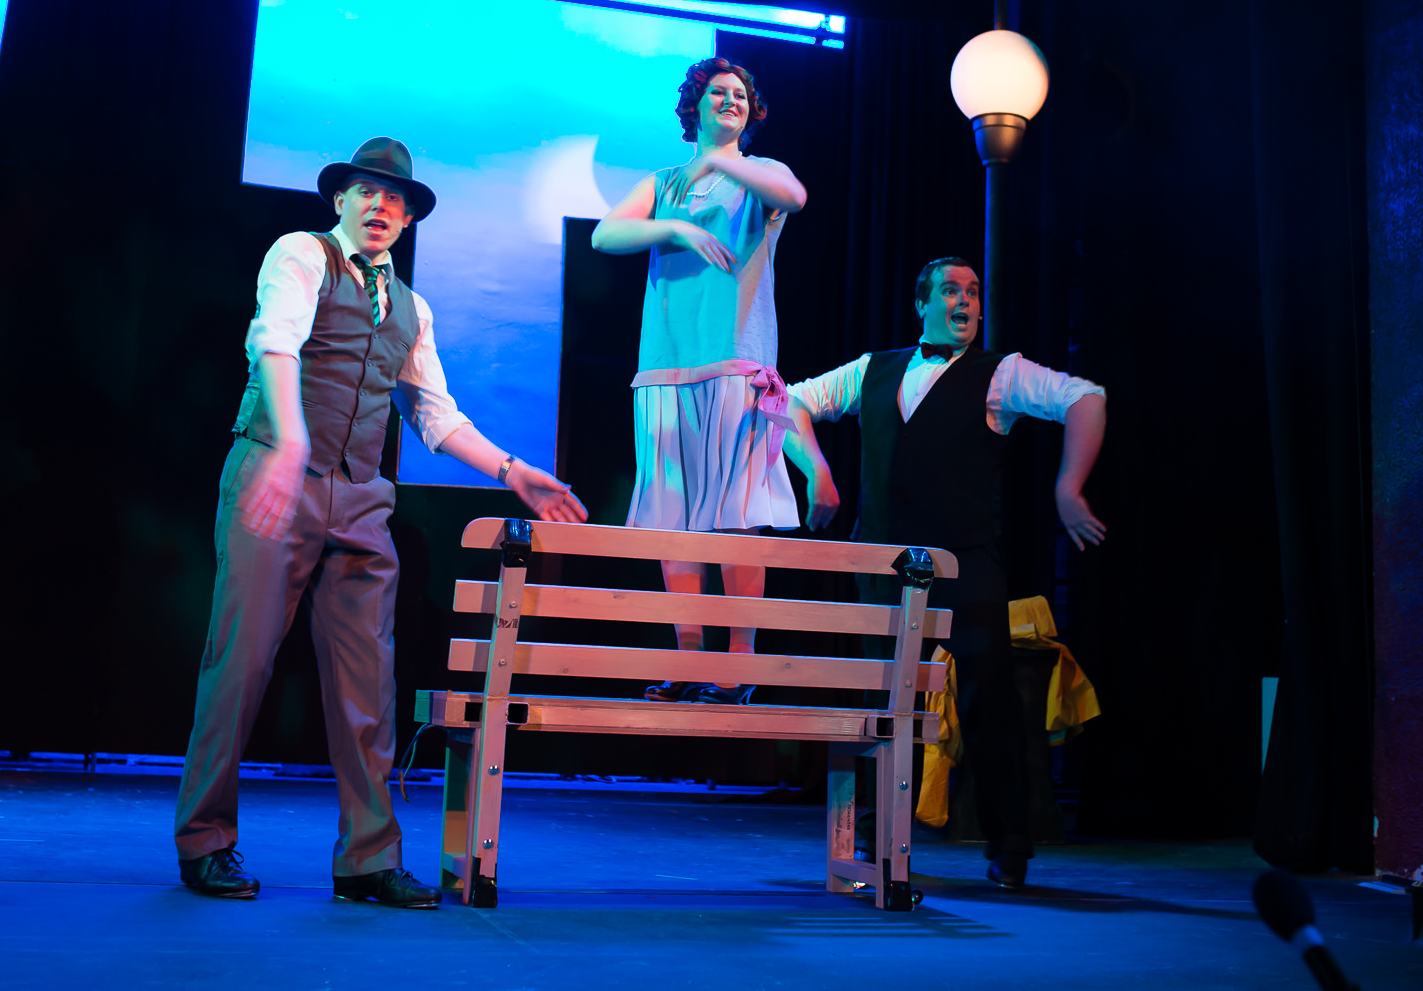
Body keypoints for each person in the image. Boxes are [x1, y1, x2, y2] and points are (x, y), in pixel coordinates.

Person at [174, 136, 586, 905]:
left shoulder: (411, 307)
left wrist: (511, 470)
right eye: (368, 191)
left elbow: (434, 414)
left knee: (368, 681)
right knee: (241, 663)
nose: (381, 205)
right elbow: (275, 343)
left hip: (361, 496)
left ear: (407, 218)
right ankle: (205, 839)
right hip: (276, 476)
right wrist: (290, 441)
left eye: (395, 198)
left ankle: (367, 856)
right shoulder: (302, 253)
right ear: (341, 199)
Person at [783, 257, 1107, 889]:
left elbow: (1085, 397)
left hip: (965, 560)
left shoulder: (1001, 374)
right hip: (883, 559)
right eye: (952, 290)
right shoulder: (874, 370)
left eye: (974, 292)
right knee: (883, 698)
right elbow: (792, 401)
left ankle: (1009, 841)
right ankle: (876, 834)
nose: (965, 301)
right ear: (922, 304)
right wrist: (817, 472)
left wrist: (1069, 487)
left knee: (988, 698)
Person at [591, 57, 807, 704]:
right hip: (665, 367)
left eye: (740, 94)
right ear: (696, 104)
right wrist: (676, 225)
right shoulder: (664, 182)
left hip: (734, 362)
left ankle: (738, 667)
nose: (730, 100)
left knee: (737, 517)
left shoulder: (760, 173)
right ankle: (687, 659)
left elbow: (795, 197)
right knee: (675, 518)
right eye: (718, 92)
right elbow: (605, 234)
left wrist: (722, 161)